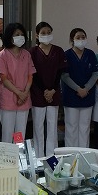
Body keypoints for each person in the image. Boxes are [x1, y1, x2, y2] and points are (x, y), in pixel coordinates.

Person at [28, 22, 67, 157]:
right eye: (43, 33)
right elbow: (33, 73)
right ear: (37, 35)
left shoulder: (58, 51)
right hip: (38, 93)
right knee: (38, 127)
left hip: (53, 93)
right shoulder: (32, 52)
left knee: (52, 127)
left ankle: (52, 157)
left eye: (48, 32)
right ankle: (39, 157)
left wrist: (52, 90)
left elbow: (60, 72)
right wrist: (45, 91)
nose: (46, 35)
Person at [61, 28, 98, 148]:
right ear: (72, 40)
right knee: (71, 127)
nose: (81, 39)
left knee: (85, 127)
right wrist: (78, 89)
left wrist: (86, 89)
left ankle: (84, 154)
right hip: (71, 97)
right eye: (78, 37)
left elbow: (95, 74)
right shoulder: (66, 55)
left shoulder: (90, 54)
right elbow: (64, 76)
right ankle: (71, 154)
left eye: (83, 37)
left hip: (87, 96)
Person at [0, 22, 35, 143]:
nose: (20, 37)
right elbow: (4, 79)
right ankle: (8, 155)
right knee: (8, 133)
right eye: (17, 34)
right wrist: (19, 94)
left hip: (23, 99)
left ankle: (19, 153)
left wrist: (24, 93)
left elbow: (30, 76)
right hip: (8, 99)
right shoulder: (3, 55)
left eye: (22, 34)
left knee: (19, 135)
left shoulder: (26, 54)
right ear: (10, 36)